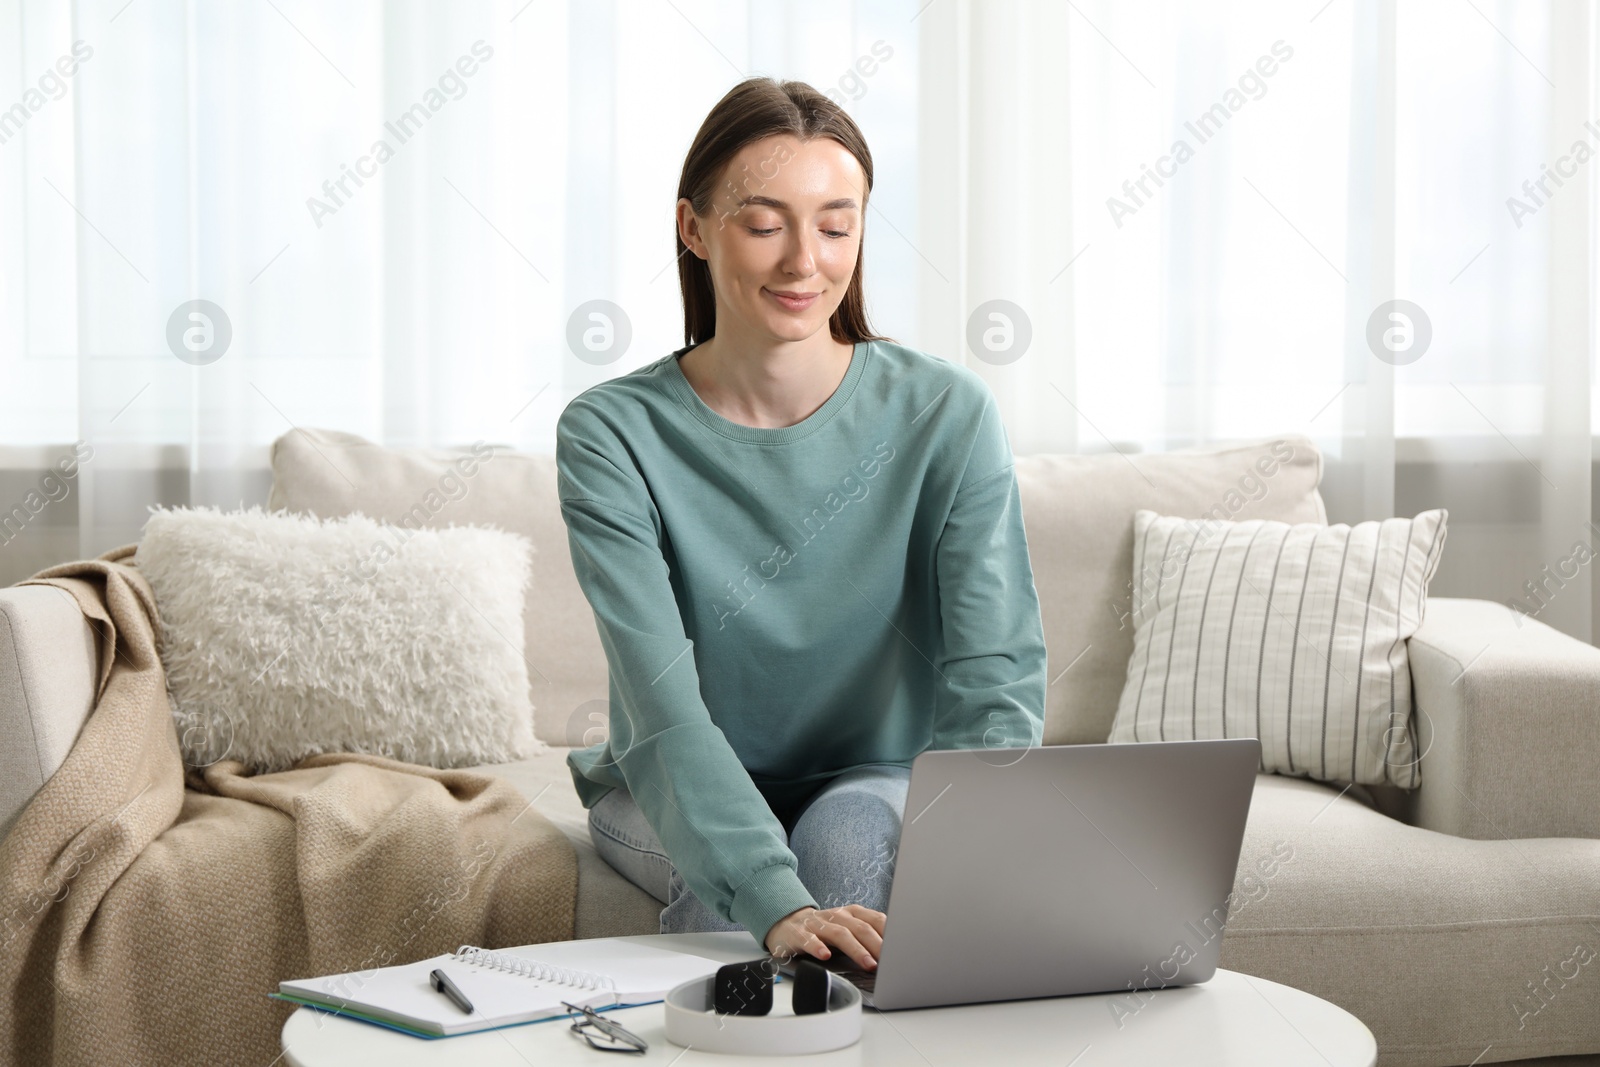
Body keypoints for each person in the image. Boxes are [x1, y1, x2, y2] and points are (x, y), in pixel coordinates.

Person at [556, 76, 1047, 973]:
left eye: (835, 223)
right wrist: (768, 895)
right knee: (729, 891)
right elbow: (663, 709)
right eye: (764, 222)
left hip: (877, 778)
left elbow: (995, 675)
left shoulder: (948, 413)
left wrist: (985, 859)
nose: (804, 261)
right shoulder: (610, 433)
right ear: (694, 228)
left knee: (847, 846)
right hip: (668, 787)